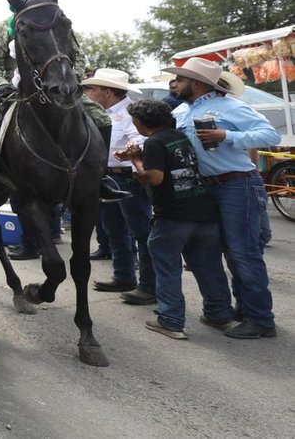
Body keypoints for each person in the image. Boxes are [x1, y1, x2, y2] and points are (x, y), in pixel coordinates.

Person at [0, 0, 123, 200]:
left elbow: (77, 56)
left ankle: (102, 176)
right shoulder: (3, 28)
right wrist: (1, 85)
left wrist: (71, 77)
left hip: (56, 84)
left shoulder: (59, 23)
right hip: (12, 88)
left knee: (101, 117)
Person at [163, 57, 279, 339]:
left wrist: (225, 135)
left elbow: (271, 135)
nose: (175, 83)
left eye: (181, 78)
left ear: (197, 83)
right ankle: (245, 310)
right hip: (207, 187)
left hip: (237, 184)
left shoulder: (231, 106)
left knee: (242, 252)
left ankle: (261, 319)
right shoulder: (181, 111)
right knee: (226, 251)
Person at [121, 98, 235, 340]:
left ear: (141, 122)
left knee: (167, 267)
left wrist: (135, 160)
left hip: (173, 216)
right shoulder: (179, 136)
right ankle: (220, 314)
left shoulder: (153, 141)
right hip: (204, 213)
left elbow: (154, 178)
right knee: (209, 267)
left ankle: (170, 320)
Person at [82, 68, 155, 304]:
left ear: (107, 91)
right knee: (115, 230)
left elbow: (143, 137)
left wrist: (130, 148)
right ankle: (124, 275)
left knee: (141, 232)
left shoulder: (129, 112)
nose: (87, 92)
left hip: (128, 178)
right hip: (110, 176)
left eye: (91, 88)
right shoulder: (105, 112)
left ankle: (149, 285)